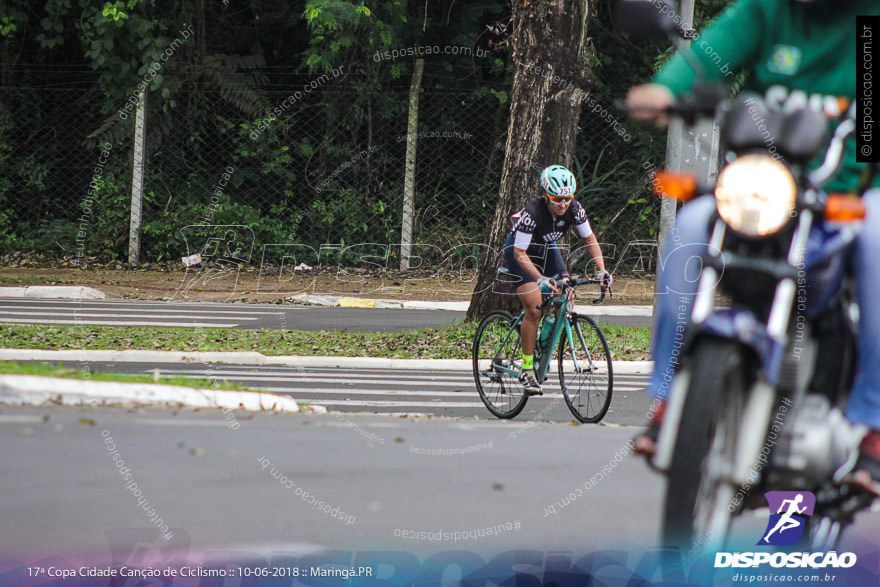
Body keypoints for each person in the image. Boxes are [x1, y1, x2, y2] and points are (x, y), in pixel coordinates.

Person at [626, 0, 880, 490]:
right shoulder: (767, 10)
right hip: (762, 188)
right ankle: (666, 402)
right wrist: (664, 91)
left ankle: (873, 429)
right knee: (692, 224)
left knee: (877, 242)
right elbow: (707, 57)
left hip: (850, 196)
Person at [505, 164, 612, 395]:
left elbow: (590, 239)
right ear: (546, 196)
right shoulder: (532, 213)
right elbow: (519, 254)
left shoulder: (574, 209)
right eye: (556, 198)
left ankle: (543, 344)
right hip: (521, 254)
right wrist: (540, 278)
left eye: (567, 198)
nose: (563, 203)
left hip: (546, 250)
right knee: (534, 309)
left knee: (567, 296)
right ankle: (526, 369)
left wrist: (602, 270)